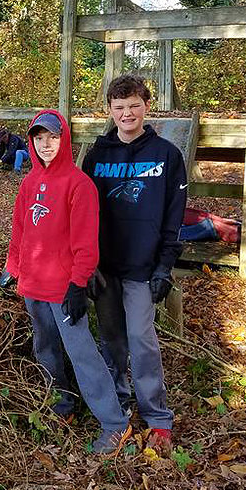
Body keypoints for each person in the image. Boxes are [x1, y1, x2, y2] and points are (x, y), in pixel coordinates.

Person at [0, 110, 131, 455]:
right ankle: (62, 405)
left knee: (81, 353)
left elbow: (86, 243)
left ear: (64, 139)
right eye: (39, 138)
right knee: (45, 348)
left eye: (53, 137)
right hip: (33, 284)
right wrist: (13, 267)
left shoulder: (78, 184)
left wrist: (77, 284)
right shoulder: (29, 183)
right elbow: (20, 230)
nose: (46, 144)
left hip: (63, 288)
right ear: (31, 142)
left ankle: (115, 423)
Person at [81, 74, 187, 453]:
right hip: (105, 266)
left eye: (134, 106)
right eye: (119, 107)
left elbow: (174, 217)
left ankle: (157, 416)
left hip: (143, 267)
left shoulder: (167, 155)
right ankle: (119, 402)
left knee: (142, 339)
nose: (127, 113)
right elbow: (82, 214)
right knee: (112, 340)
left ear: (146, 106)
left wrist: (164, 266)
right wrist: (86, 264)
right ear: (110, 110)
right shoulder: (96, 157)